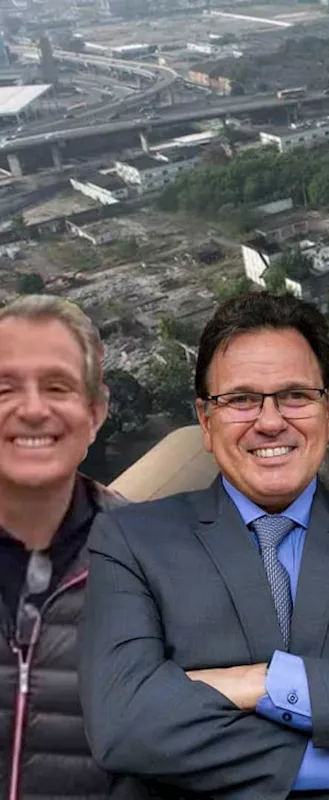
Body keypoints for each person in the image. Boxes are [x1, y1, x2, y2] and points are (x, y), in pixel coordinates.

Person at [79, 292, 329, 799]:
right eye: (240, 399)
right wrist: (323, 758)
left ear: (327, 412)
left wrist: (259, 683)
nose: (269, 420)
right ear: (205, 420)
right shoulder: (130, 540)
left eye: (295, 395)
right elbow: (123, 721)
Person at [0, 295, 122, 800]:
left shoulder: (160, 566)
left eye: (58, 387)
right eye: (5, 388)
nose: (32, 410)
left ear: (96, 412)